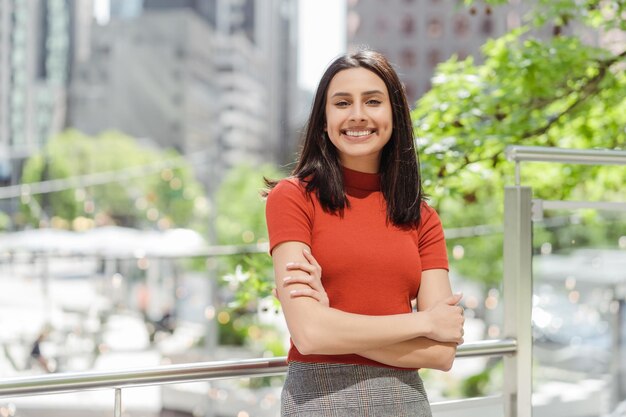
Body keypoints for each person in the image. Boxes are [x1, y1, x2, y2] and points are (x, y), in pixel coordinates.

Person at [264, 49, 465, 417]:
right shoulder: (292, 198)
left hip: (406, 402)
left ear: (394, 115)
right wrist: (423, 322)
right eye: (342, 103)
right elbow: (309, 335)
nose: (357, 115)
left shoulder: (422, 218)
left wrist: (332, 320)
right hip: (319, 400)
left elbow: (441, 353)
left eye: (372, 101)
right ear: (324, 120)